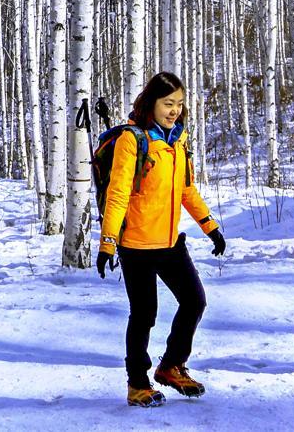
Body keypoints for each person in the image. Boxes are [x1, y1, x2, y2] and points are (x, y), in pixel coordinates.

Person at [97, 72, 226, 407]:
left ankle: (171, 366)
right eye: (168, 103)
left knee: (195, 301)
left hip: (170, 242)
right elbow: (118, 194)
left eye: (179, 104)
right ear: (150, 103)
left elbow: (186, 190)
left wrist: (210, 226)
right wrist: (108, 241)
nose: (174, 110)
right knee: (144, 315)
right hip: (136, 244)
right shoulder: (133, 140)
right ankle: (137, 383)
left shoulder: (177, 141)